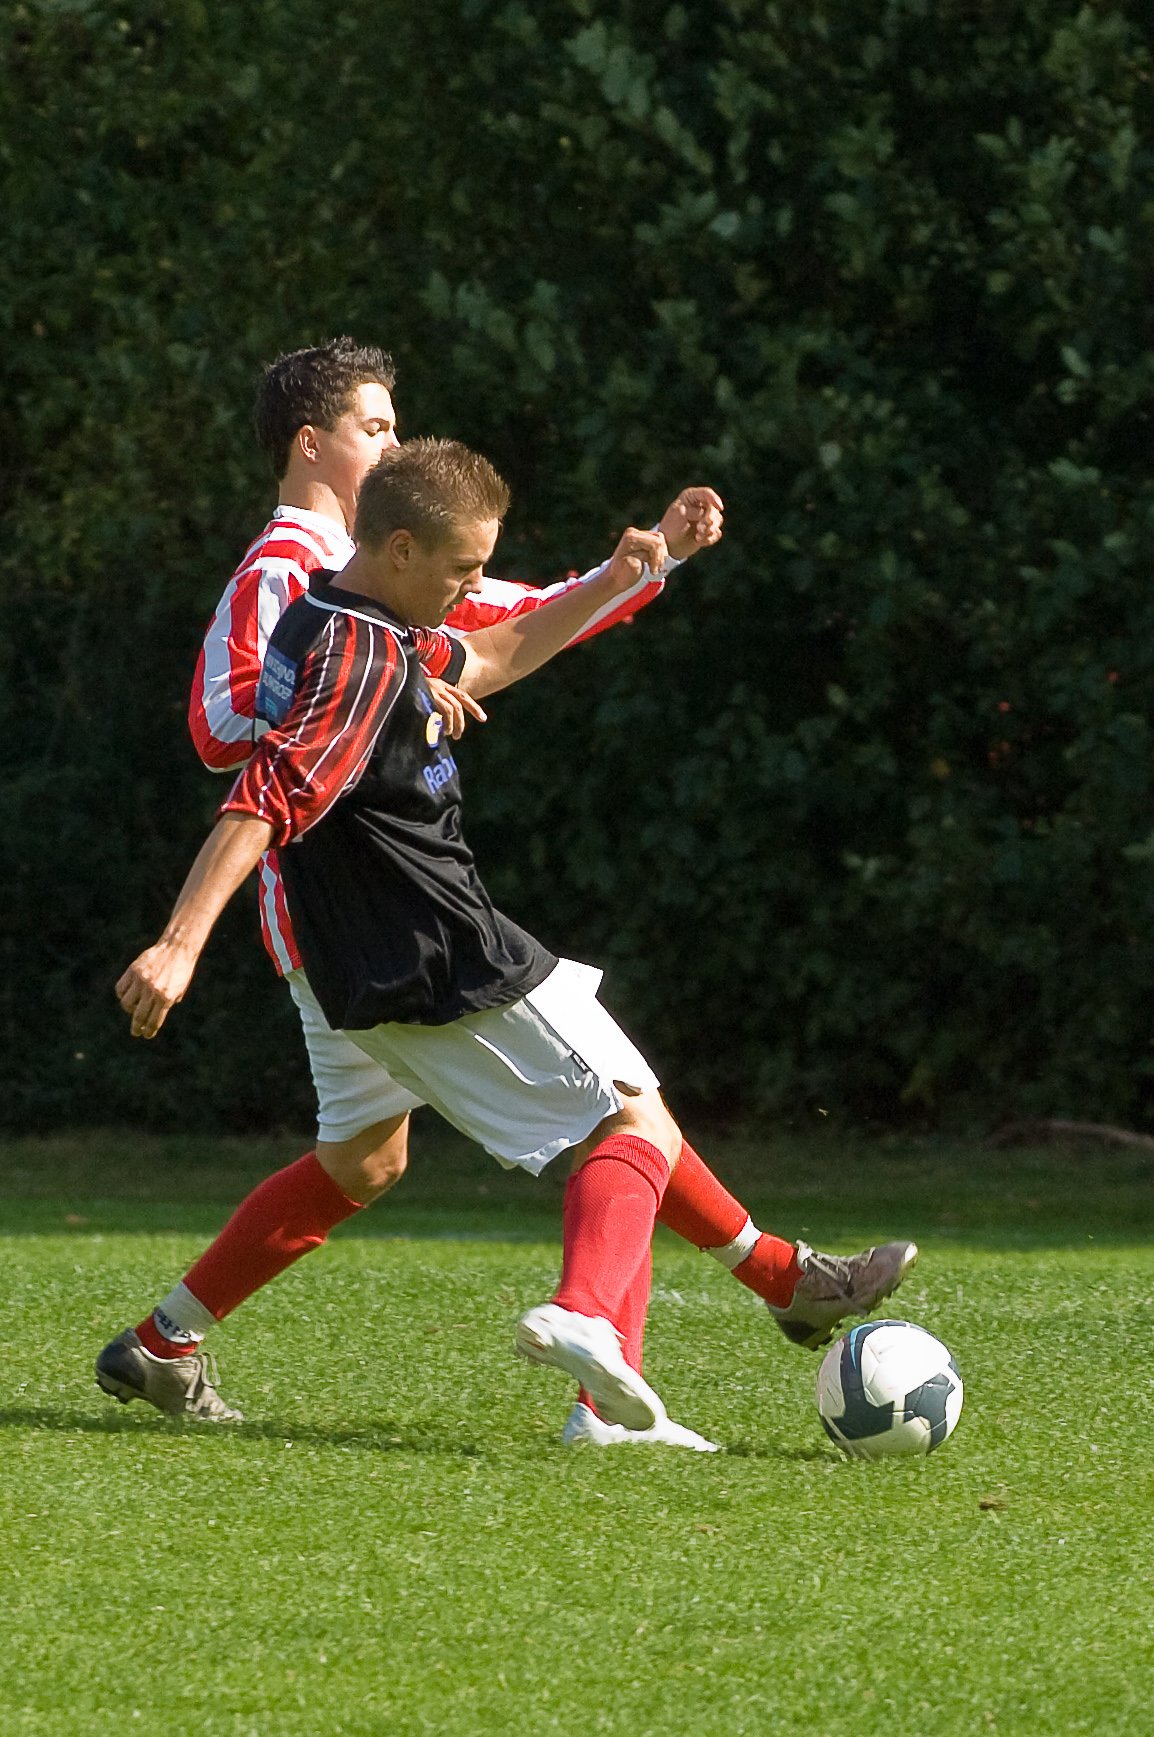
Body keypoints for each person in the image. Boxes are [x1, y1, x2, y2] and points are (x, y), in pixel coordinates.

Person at [104, 440, 918, 1449]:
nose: (473, 586)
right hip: (437, 948)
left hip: (349, 958)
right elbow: (263, 797)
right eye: (462, 569)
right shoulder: (361, 658)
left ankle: (163, 1342)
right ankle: (598, 1346)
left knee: (362, 1160)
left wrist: (620, 577)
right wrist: (178, 944)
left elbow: (491, 656)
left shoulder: (341, 616)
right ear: (401, 548)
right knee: (628, 1122)